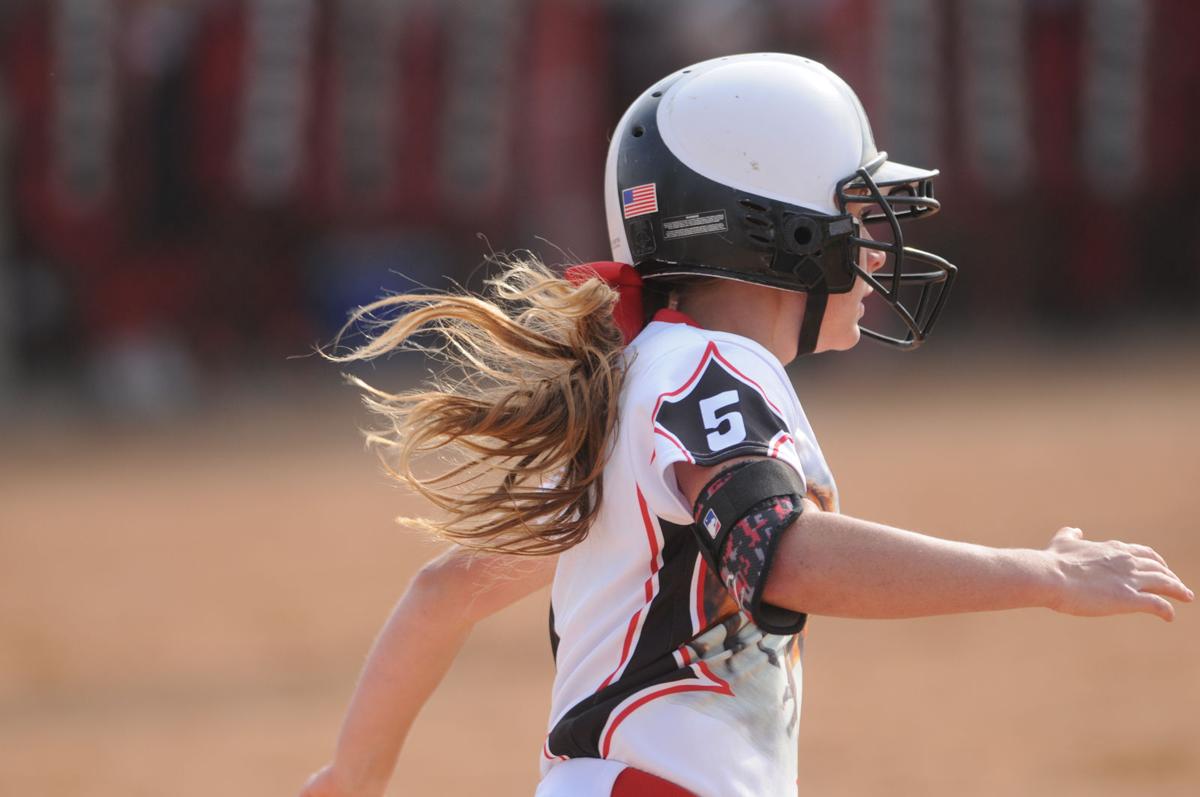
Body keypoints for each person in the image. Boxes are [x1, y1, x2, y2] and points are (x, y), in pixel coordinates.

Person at [299, 54, 1192, 797]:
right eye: (855, 216)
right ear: (778, 233)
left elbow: (444, 590)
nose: (878, 248)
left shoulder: (641, 375)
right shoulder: (709, 371)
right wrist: (1042, 574)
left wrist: (350, 775)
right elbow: (783, 552)